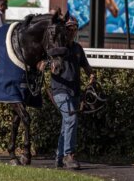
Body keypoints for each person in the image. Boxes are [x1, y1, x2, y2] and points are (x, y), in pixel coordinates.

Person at [51, 15, 95, 169]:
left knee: (67, 123)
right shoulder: (57, 48)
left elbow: (86, 66)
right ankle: (69, 156)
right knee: (71, 118)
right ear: (64, 29)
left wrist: (92, 74)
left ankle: (59, 157)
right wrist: (46, 64)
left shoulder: (78, 48)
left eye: (74, 28)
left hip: (75, 91)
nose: (72, 31)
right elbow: (47, 61)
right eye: (69, 28)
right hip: (60, 90)